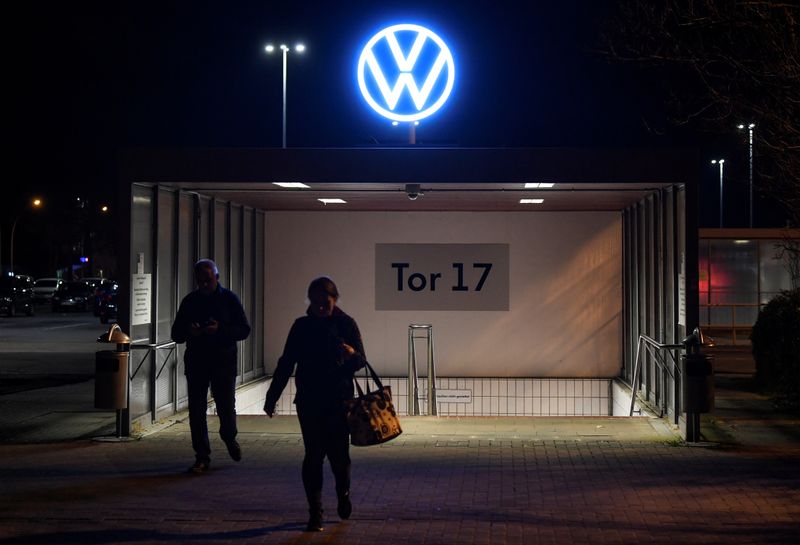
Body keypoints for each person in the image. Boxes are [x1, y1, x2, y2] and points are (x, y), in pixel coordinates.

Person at [264, 277, 367, 532]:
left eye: (326, 303)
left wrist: (352, 356)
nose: (321, 308)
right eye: (316, 303)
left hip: (339, 402)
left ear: (335, 300)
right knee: (313, 455)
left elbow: (361, 361)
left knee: (339, 458)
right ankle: (315, 511)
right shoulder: (301, 327)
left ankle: (343, 493)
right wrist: (272, 396)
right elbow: (286, 362)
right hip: (310, 401)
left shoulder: (346, 324)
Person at [171, 259, 251, 474]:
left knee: (226, 407)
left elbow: (244, 329)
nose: (205, 285)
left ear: (217, 278)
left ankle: (229, 437)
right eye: (200, 281)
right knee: (196, 411)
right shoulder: (190, 301)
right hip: (197, 363)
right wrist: (191, 330)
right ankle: (202, 456)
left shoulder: (229, 300)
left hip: (223, 363)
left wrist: (220, 330)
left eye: (208, 280)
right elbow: (176, 334)